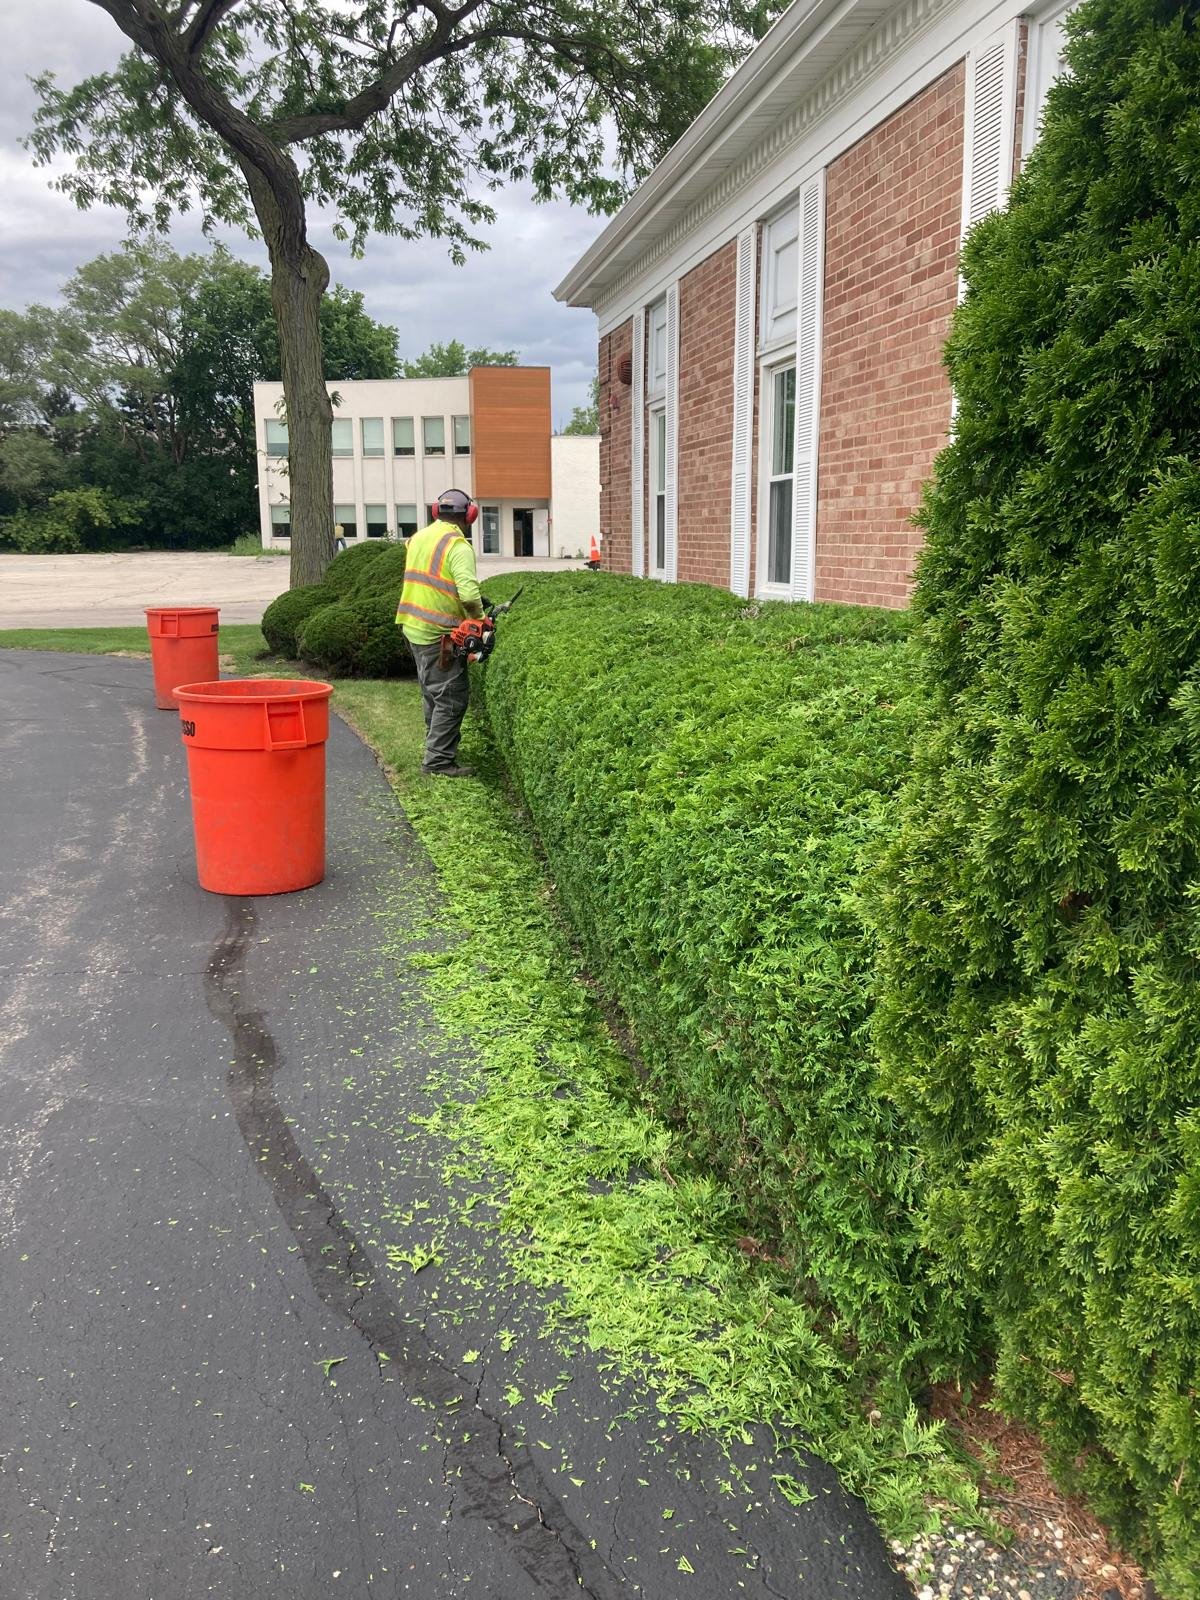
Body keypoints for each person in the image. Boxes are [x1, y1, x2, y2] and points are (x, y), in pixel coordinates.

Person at [395, 489, 485, 778]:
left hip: (413, 626)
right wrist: (479, 620)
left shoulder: (417, 538)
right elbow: (468, 595)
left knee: (432, 692)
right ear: (470, 516)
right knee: (451, 697)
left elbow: (436, 581)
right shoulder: (458, 546)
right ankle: (438, 762)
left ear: (437, 512)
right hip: (439, 633)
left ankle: (436, 745)